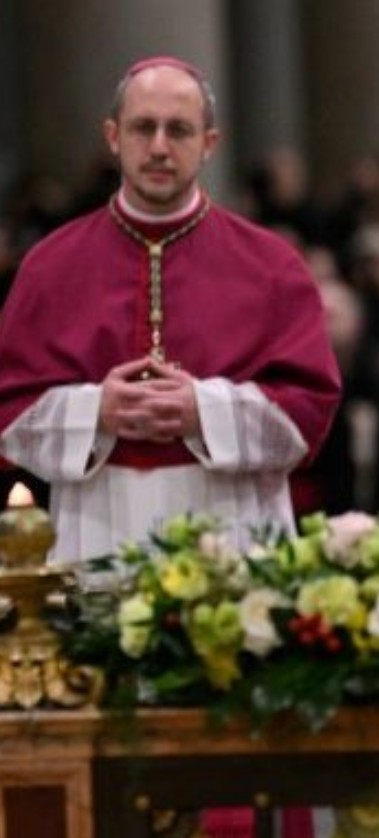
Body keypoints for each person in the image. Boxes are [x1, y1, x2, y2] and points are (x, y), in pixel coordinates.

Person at [0, 57, 340, 561]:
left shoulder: (272, 266)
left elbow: (309, 415)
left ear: (209, 143)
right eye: (143, 128)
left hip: (235, 527)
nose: (159, 147)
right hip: (97, 520)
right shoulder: (52, 265)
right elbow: (9, 415)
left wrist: (202, 411)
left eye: (178, 129)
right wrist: (97, 412)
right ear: (113, 137)